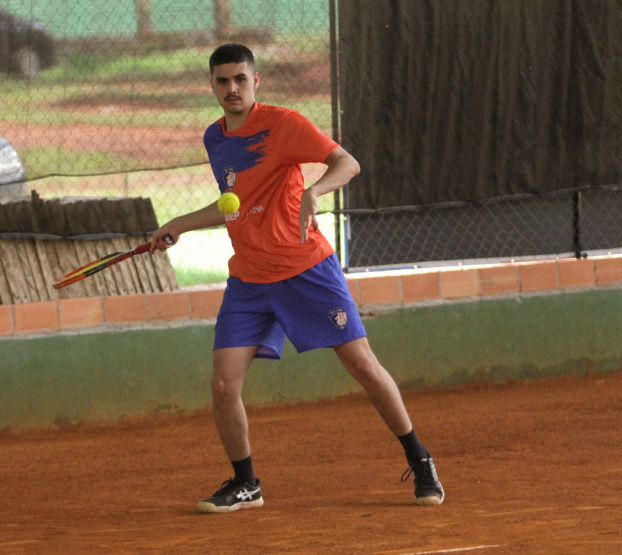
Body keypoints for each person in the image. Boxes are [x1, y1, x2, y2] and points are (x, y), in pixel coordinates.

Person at [150, 43, 444, 513]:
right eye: (222, 81)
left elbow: (347, 163)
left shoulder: (283, 124)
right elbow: (235, 203)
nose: (231, 88)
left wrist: (315, 190)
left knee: (363, 367)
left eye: (240, 79)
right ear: (212, 85)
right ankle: (246, 483)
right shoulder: (215, 138)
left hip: (306, 269)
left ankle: (419, 458)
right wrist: (179, 224)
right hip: (250, 278)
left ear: (255, 81)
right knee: (223, 386)